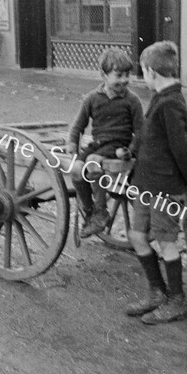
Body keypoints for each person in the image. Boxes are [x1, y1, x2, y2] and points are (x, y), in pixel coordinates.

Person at [126, 41, 187, 325]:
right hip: (145, 184)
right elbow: (145, 133)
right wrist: (131, 151)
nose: (144, 78)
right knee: (137, 236)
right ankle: (157, 292)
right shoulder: (159, 97)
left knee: (166, 241)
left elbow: (180, 149)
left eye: (143, 72)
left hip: (164, 187)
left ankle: (176, 301)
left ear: (152, 72)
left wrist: (184, 182)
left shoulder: (172, 102)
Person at [67, 48, 143, 237]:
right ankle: (90, 211)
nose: (124, 80)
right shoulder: (92, 98)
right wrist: (71, 143)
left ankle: (101, 212)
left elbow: (141, 132)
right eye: (118, 75)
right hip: (99, 144)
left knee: (92, 161)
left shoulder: (132, 101)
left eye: (127, 75)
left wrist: (130, 151)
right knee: (75, 168)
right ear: (103, 75)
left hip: (118, 145)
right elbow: (78, 126)